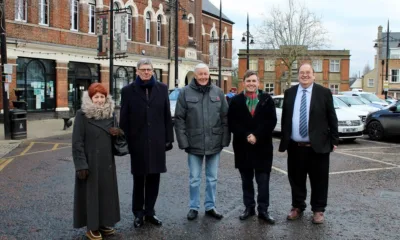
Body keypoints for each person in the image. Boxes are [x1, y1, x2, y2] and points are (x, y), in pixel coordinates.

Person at [278, 63, 339, 224]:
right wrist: (285, 139)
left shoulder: (323, 93)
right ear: (298, 75)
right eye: (301, 72)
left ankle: (318, 210)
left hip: (318, 147)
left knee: (319, 180)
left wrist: (334, 139)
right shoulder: (290, 93)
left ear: (314, 75)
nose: (304, 75)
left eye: (308, 72)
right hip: (295, 146)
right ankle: (297, 206)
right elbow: (286, 118)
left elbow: (332, 116)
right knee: (296, 179)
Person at [119, 58, 174, 228]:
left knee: (154, 178)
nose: (146, 72)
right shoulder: (128, 91)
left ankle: (150, 212)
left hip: (157, 141)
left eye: (149, 69)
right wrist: (124, 140)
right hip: (138, 141)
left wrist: (168, 139)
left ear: (153, 71)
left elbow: (166, 115)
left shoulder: (162, 89)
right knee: (139, 179)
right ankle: (138, 213)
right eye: (143, 69)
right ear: (137, 71)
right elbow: (124, 118)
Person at [174, 63, 230, 221]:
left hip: (215, 142)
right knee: (194, 178)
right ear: (195, 75)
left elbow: (225, 117)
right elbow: (179, 119)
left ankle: (210, 206)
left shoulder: (218, 92)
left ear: (209, 74)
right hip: (194, 143)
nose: (204, 77)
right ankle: (193, 207)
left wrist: (225, 139)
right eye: (200, 74)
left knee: (212, 178)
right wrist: (183, 142)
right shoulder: (185, 92)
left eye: (206, 74)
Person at [72, 83, 121, 240]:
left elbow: (119, 142)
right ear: (90, 98)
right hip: (90, 162)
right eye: (96, 97)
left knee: (106, 193)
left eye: (102, 97)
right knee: (91, 194)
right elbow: (77, 142)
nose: (99, 100)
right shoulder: (82, 115)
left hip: (107, 162)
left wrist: (119, 134)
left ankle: (104, 223)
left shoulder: (111, 114)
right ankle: (91, 227)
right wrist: (81, 165)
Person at [228, 70, 277, 224]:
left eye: (254, 81)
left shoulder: (267, 99)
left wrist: (256, 135)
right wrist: (247, 135)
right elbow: (232, 122)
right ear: (243, 82)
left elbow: (271, 121)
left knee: (263, 180)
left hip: (262, 146)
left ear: (258, 83)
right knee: (246, 180)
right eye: (248, 81)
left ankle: (263, 210)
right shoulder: (236, 101)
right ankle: (249, 208)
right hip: (243, 146)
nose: (251, 84)